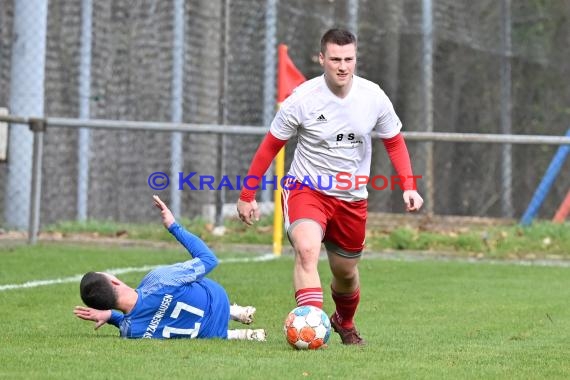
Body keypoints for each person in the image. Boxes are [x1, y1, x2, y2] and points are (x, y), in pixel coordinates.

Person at [236, 28, 423, 345]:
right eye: (335, 59)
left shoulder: (373, 96)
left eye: (349, 59)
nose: (342, 66)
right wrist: (247, 194)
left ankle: (343, 321)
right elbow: (270, 146)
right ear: (321, 58)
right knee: (307, 251)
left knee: (346, 273)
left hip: (351, 199)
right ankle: (312, 330)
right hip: (306, 190)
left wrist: (408, 184)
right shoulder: (302, 99)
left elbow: (394, 141)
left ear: (355, 58)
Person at [74, 195, 266, 341]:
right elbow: (209, 259)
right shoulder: (158, 280)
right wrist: (174, 227)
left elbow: (130, 320)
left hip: (211, 333)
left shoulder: (130, 332)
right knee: (189, 277)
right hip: (218, 299)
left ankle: (237, 334)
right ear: (114, 280)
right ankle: (232, 312)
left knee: (167, 318)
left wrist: (109, 316)